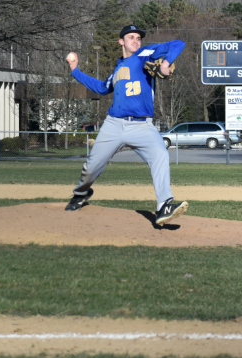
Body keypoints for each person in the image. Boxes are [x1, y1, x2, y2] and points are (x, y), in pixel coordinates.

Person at [64, 25, 188, 225]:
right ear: (121, 41)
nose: (136, 40)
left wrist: (166, 62)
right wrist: (74, 71)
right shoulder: (118, 68)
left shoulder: (144, 55)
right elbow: (102, 88)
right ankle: (81, 193)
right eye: (131, 37)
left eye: (138, 37)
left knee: (160, 155)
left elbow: (178, 44)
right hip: (113, 125)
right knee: (91, 167)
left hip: (142, 126)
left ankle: (164, 207)